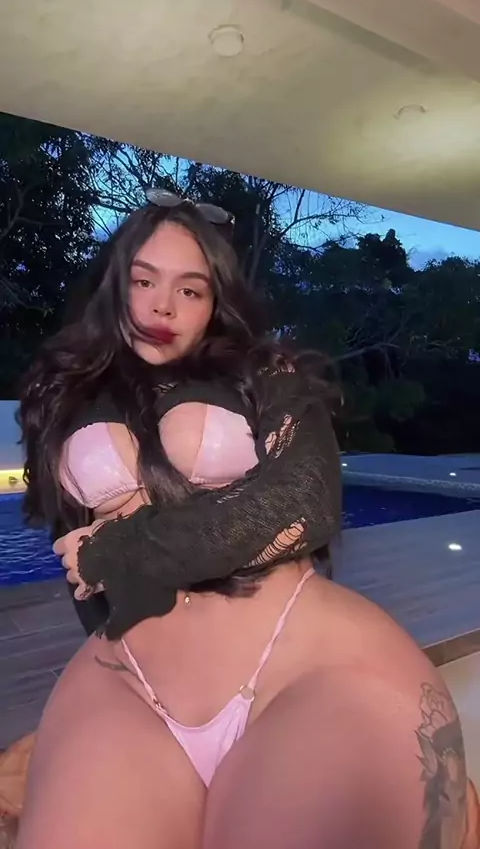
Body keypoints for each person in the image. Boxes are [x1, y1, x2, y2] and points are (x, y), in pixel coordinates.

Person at [14, 195, 475, 849]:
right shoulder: (65, 393)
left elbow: (304, 502)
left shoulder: (265, 376)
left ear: (214, 302)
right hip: (135, 686)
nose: (163, 307)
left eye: (190, 289)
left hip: (295, 667)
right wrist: (104, 655)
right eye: (144, 281)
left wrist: (122, 551)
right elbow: (77, 555)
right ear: (115, 284)